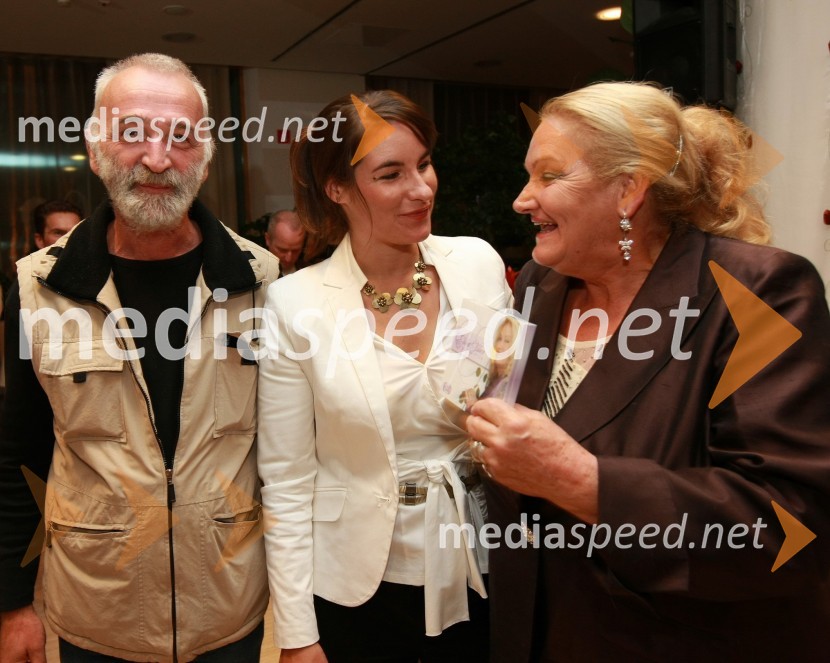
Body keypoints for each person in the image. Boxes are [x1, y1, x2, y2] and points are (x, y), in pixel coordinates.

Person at [465, 81, 830, 661]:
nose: (521, 199)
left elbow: (789, 528)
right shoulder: (541, 284)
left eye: (549, 176)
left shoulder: (757, 291)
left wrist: (583, 480)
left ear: (628, 190)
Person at [0, 53, 278, 662]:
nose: (157, 158)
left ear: (204, 155)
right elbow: (17, 452)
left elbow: (289, 457)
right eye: (133, 133)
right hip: (96, 614)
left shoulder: (262, 281)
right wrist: (13, 602)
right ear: (96, 147)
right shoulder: (36, 288)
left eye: (180, 136)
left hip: (228, 610)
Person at [257, 90, 512, 662]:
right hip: (360, 585)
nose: (421, 189)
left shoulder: (478, 264)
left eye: (423, 164)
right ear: (337, 189)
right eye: (391, 173)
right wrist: (297, 634)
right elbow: (287, 479)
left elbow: (514, 403)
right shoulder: (295, 304)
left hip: (485, 563)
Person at [463, 316, 520, 408]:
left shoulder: (508, 386)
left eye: (507, 341)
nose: (499, 346)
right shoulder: (491, 378)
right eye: (499, 339)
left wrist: (474, 406)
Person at [265, 208, 307, 276]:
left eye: (295, 251)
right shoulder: (255, 273)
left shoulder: (309, 271)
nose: (288, 259)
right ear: (268, 240)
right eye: (282, 250)